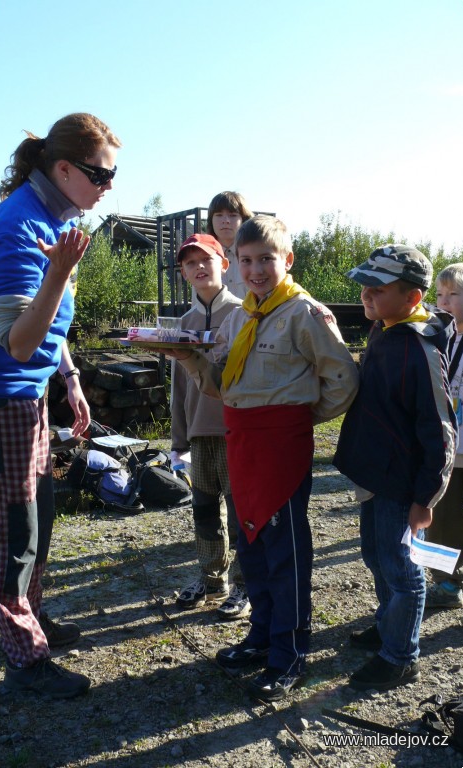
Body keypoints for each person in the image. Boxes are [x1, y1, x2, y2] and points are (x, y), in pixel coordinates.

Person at [0, 112, 121, 699]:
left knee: (37, 516)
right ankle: (23, 660)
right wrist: (61, 271)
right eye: (100, 175)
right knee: (11, 526)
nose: (107, 188)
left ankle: (32, 624)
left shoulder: (52, 216)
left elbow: (48, 327)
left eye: (112, 177)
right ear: (63, 168)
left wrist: (68, 376)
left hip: (26, 391)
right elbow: (18, 343)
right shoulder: (20, 229)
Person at [169, 215, 359, 701]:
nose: (255, 270)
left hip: (280, 446)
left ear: (287, 260)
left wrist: (296, 418)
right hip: (242, 442)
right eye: (247, 261)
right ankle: (260, 636)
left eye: (266, 260)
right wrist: (187, 357)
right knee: (249, 542)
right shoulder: (239, 317)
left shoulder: (305, 314)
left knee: (285, 554)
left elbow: (343, 380)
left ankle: (289, 652)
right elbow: (221, 385)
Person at [333, 244, 456, 692]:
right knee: (375, 556)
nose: (366, 295)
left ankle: (401, 657)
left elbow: (441, 430)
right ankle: (390, 627)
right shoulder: (385, 329)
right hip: (376, 474)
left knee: (402, 569)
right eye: (364, 286)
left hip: (403, 484)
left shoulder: (421, 349)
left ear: (412, 297)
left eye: (377, 288)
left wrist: (426, 498)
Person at [170, 233, 249, 620]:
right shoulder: (182, 323)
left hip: (236, 431)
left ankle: (245, 582)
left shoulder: (243, 313)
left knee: (239, 513)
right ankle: (211, 576)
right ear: (183, 272)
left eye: (207, 260)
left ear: (225, 264)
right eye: (190, 263)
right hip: (200, 433)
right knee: (204, 511)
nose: (199, 267)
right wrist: (178, 439)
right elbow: (179, 385)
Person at [424, 263, 463, 618]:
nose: (444, 301)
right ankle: (446, 582)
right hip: (452, 443)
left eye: (454, 294)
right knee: (441, 513)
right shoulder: (444, 334)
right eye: (440, 294)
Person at [206, 191, 253, 299]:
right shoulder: (202, 259)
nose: (226, 221)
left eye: (232, 215)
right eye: (219, 215)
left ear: (244, 220)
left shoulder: (255, 256)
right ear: (211, 220)